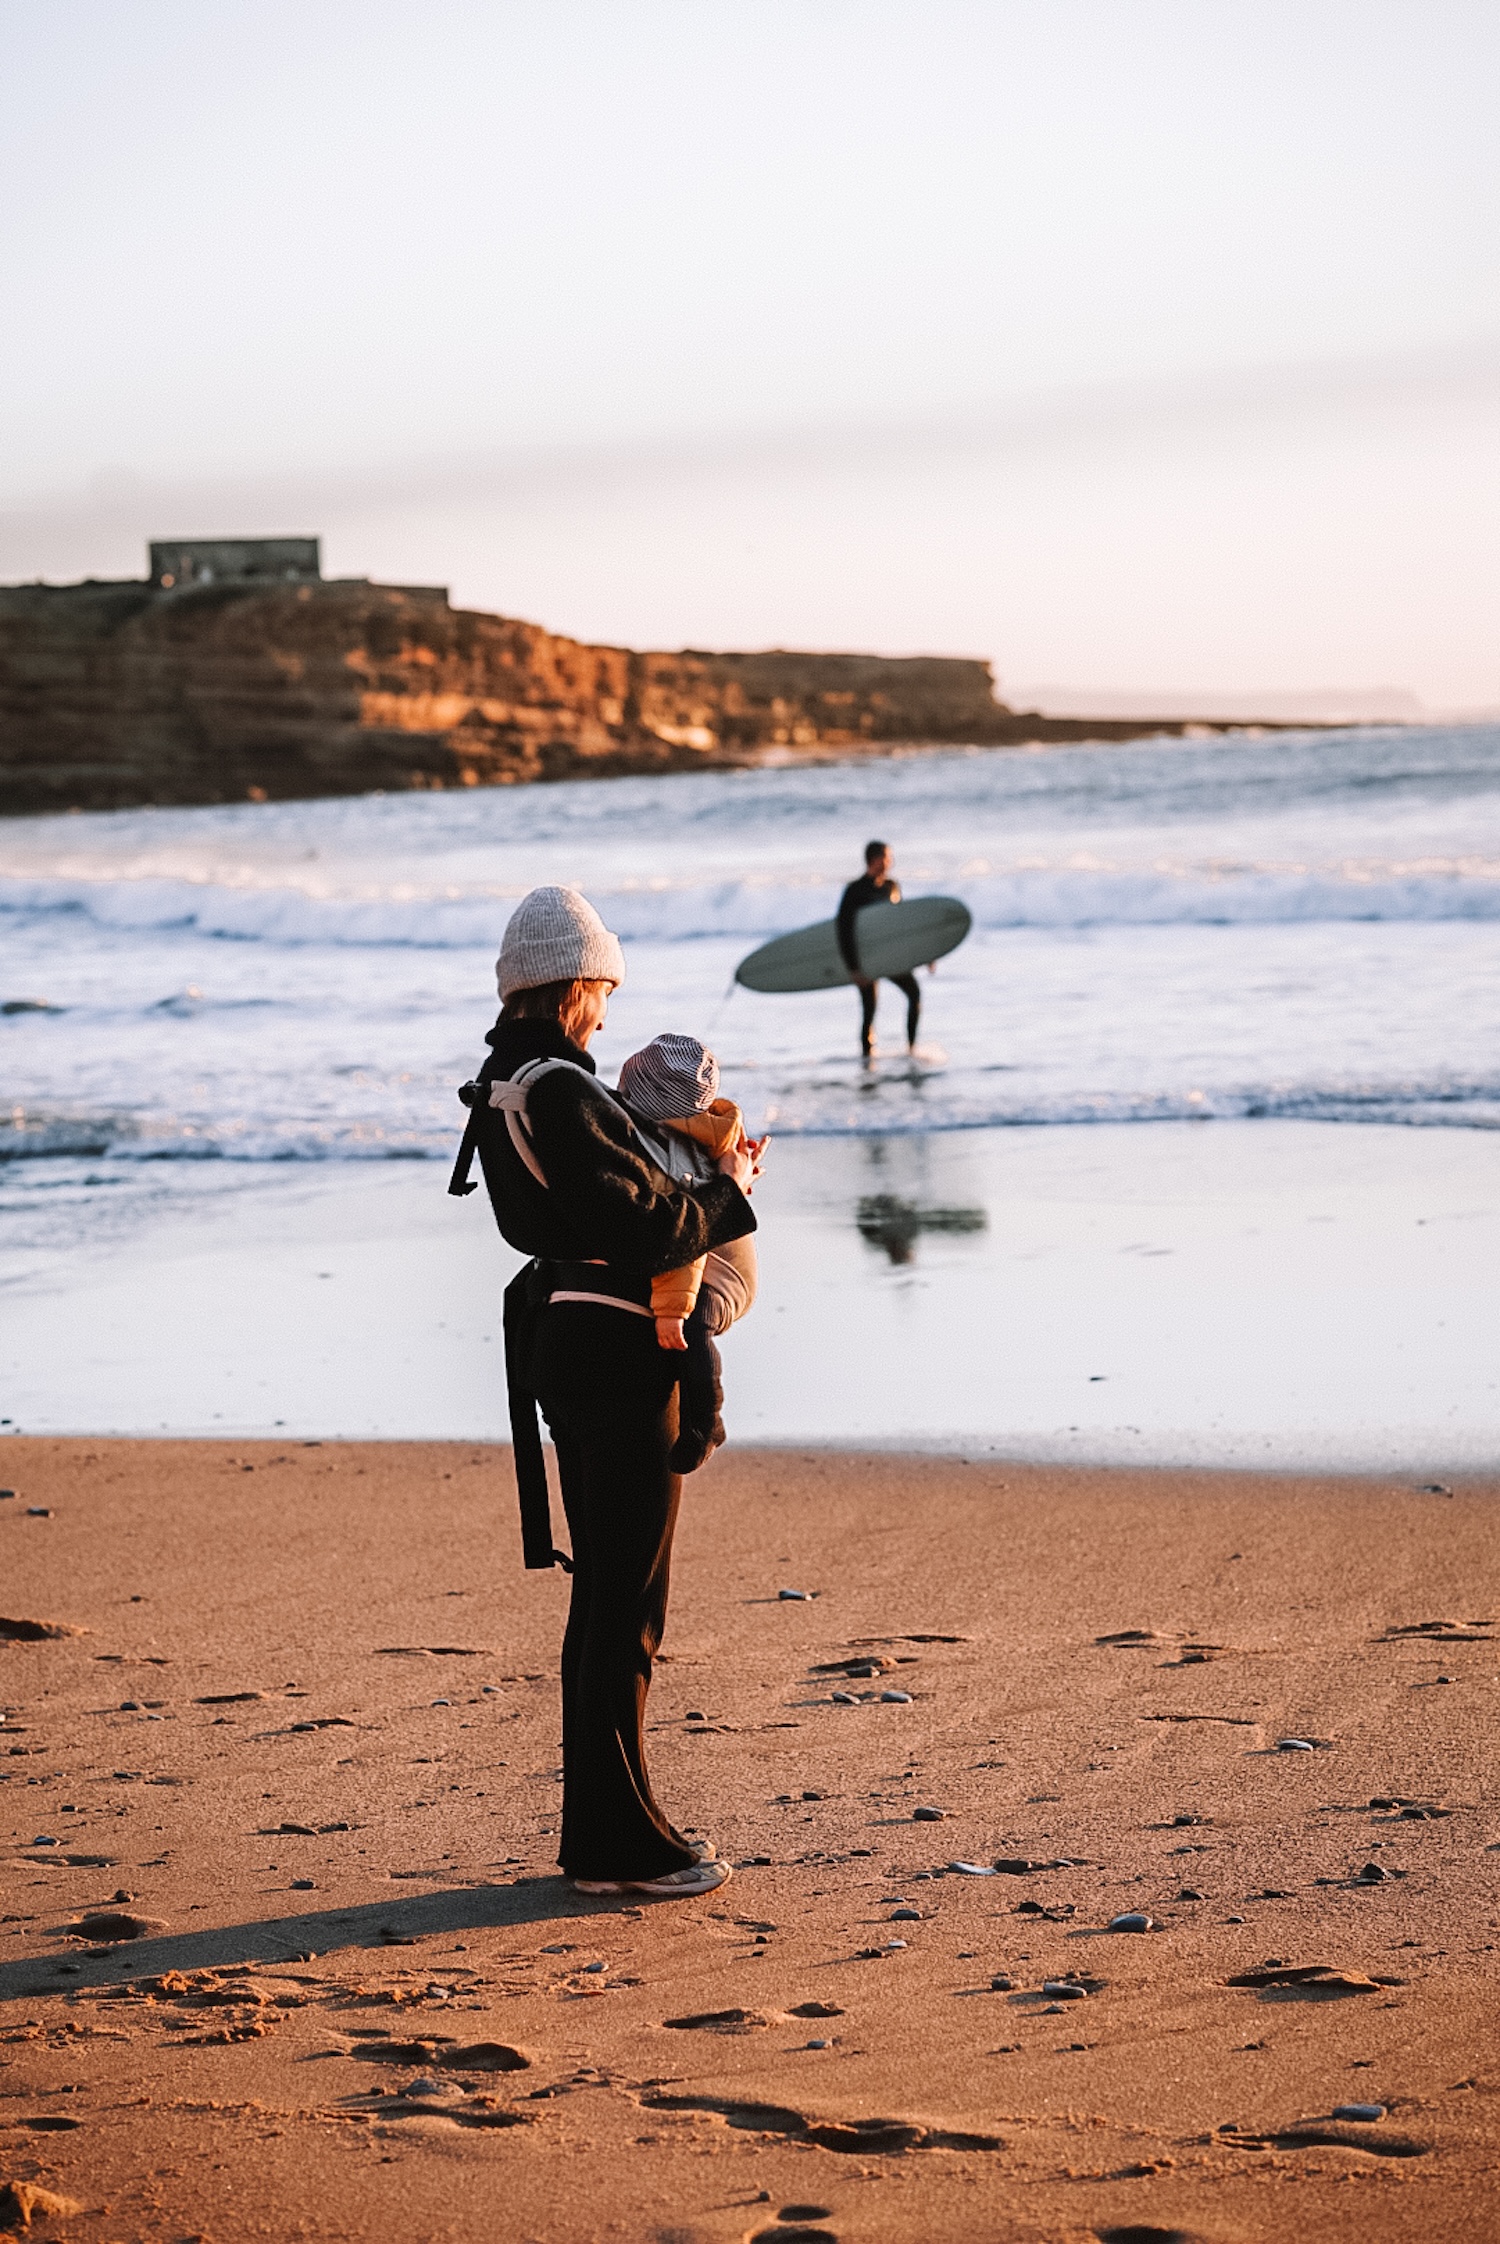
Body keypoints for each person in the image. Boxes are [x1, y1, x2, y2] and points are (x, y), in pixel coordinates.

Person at [450, 886, 764, 1901]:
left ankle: (610, 1827)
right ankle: (614, 1844)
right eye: (603, 990)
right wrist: (728, 1190)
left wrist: (689, 1198)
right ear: (575, 984)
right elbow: (656, 1227)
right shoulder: (563, 1091)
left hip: (560, 1343)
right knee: (626, 1607)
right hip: (622, 1355)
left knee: (602, 1602)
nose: (606, 1011)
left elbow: (571, 1218)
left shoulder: (500, 1084)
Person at [616, 1031, 760, 1472]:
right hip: (707, 1252)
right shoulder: (698, 1128)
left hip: (719, 1272)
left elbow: (689, 1238)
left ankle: (706, 1422)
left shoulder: (679, 1153)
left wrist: (671, 1310)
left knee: (693, 1329)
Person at [837, 839, 920, 1057]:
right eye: (885, 856)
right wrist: (854, 968)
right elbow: (844, 930)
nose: (889, 861)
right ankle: (867, 1060)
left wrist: (925, 953)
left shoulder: (892, 887)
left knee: (914, 994)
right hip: (866, 959)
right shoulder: (855, 890)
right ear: (873, 859)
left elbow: (901, 924)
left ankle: (911, 1048)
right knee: (869, 1009)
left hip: (891, 957)